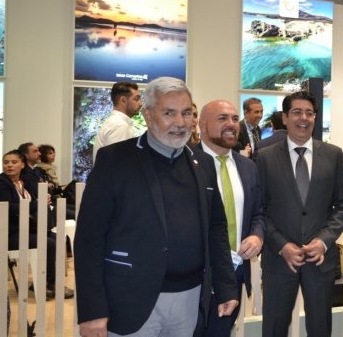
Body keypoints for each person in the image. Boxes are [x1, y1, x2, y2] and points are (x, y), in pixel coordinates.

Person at [75, 77, 238, 336]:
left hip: (189, 299)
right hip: (130, 301)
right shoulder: (114, 161)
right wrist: (93, 310)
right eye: (169, 113)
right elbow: (89, 239)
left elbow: (216, 229)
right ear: (148, 115)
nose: (180, 122)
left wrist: (226, 286)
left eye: (186, 113)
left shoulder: (202, 163)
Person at [256, 90, 343, 337]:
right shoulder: (265, 157)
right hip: (279, 260)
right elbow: (259, 209)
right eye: (297, 112)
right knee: (274, 327)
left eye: (309, 113)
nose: (304, 118)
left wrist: (324, 241)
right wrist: (281, 245)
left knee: (320, 328)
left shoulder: (333, 155)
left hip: (319, 261)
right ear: (285, 117)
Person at [193, 99, 264, 336]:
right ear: (202, 125)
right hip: (196, 274)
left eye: (234, 118)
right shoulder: (186, 164)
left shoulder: (248, 167)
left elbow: (258, 212)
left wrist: (257, 236)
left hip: (235, 272)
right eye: (222, 118)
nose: (231, 124)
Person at [0, 150, 73, 298]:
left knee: (56, 238)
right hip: (8, 233)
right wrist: (36, 204)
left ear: (22, 165)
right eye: (6, 162)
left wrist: (44, 199)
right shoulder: (1, 182)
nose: (9, 165)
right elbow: (9, 208)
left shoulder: (23, 181)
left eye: (14, 162)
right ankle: (50, 284)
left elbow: (36, 199)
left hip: (25, 228)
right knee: (49, 242)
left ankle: (47, 282)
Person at [92, 81, 142, 163]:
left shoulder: (115, 122)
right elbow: (119, 165)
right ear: (123, 100)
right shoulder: (120, 126)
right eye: (136, 99)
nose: (140, 104)